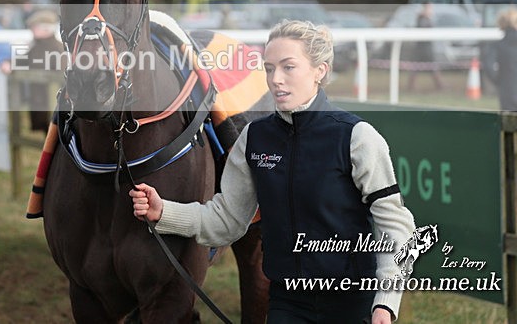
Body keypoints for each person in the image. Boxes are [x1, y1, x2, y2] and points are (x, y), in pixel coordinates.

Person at [130, 20, 416, 324]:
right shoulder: (253, 138)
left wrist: (385, 302)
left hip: (354, 304)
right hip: (286, 304)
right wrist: (164, 212)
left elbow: (395, 225)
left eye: (288, 67)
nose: (276, 79)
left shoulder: (357, 137)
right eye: (269, 69)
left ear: (320, 71)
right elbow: (227, 220)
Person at [482, 7, 517, 111]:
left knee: (508, 120)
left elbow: (488, 65)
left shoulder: (498, 45)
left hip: (507, 91)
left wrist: (499, 80)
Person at [407, 2, 444, 91]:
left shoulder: (425, 19)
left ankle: (439, 85)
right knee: (423, 67)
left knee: (428, 67)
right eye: (429, 8)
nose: (431, 10)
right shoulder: (422, 19)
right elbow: (423, 31)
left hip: (425, 47)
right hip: (423, 48)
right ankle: (439, 85)